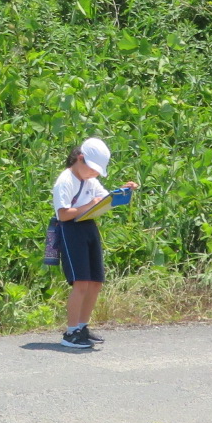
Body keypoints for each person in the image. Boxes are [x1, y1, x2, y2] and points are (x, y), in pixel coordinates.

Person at [52, 137, 137, 351]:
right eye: (92, 168)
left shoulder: (90, 180)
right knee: (80, 282)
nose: (95, 174)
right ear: (80, 159)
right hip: (71, 230)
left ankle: (82, 327)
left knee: (95, 282)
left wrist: (123, 191)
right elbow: (62, 214)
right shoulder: (65, 180)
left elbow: (105, 199)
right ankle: (70, 332)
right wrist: (90, 204)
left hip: (88, 226)